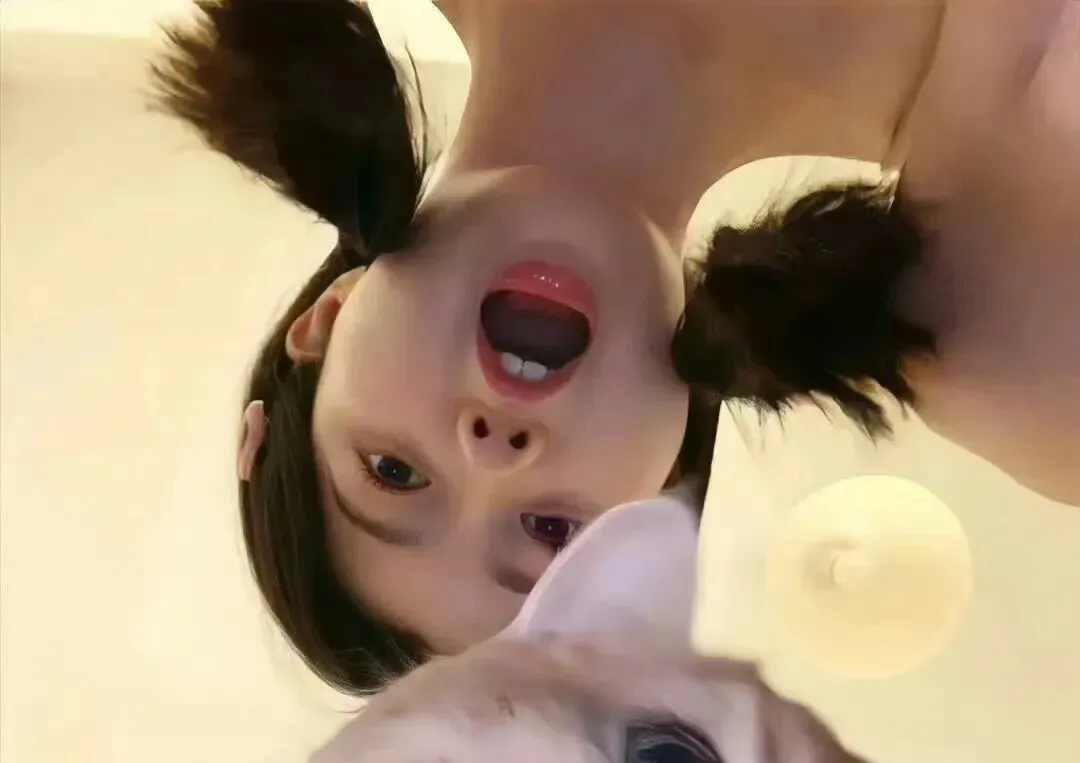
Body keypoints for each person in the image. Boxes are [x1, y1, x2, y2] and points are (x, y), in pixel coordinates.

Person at [151, 0, 1079, 694]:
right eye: (551, 533)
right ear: (658, 484)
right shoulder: (1015, 323)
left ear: (329, 319)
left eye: (393, 472)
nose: (493, 451)